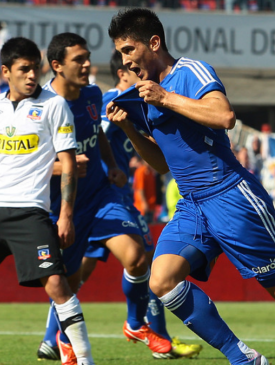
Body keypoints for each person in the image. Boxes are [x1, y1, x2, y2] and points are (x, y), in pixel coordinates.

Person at [106, 8, 275, 365]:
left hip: (231, 197)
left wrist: (166, 98)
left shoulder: (189, 72)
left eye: (128, 50)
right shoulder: (145, 96)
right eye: (120, 53)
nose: (124, 62)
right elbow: (164, 165)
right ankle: (244, 358)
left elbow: (224, 116)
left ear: (153, 43)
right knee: (161, 280)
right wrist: (128, 130)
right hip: (192, 204)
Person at [0, 37, 94, 365]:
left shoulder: (54, 106)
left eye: (35, 69)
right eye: (23, 69)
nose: (31, 76)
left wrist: (65, 215)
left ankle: (85, 361)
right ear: (5, 72)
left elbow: (68, 162)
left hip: (30, 211)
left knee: (56, 284)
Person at [38, 32, 171, 363]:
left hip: (102, 194)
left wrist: (111, 166)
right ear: (57, 66)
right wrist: (62, 167)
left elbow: (96, 134)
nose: (88, 64)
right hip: (65, 206)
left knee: (138, 257)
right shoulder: (39, 108)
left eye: (87, 57)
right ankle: (60, 338)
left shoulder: (92, 95)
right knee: (69, 281)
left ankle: (134, 323)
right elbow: (25, 162)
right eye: (79, 60)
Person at [78, 49, 202, 360]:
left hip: (118, 196)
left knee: (137, 258)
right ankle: (148, 331)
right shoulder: (106, 103)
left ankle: (153, 334)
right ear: (122, 74)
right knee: (87, 268)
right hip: (103, 197)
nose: (143, 76)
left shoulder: (133, 108)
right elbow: (94, 138)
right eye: (136, 71)